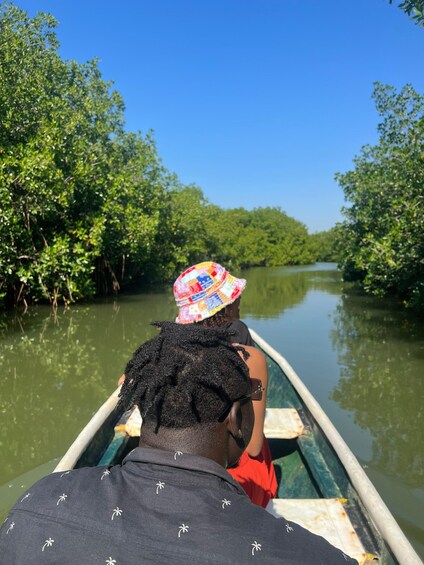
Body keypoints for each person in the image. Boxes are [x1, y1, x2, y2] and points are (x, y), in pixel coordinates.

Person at [0, 322, 357, 564]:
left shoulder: (40, 497)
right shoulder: (309, 556)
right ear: (235, 418)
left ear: (139, 404)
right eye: (254, 395)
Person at [173, 261, 276, 507]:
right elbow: (252, 447)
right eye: (235, 296)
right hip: (235, 482)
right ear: (226, 307)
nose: (240, 300)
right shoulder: (251, 360)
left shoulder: (166, 355)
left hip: (183, 475)